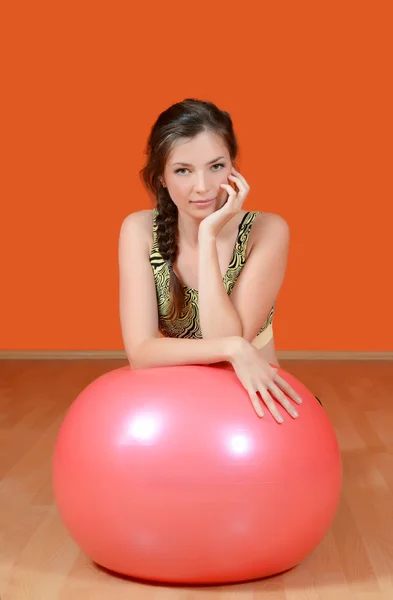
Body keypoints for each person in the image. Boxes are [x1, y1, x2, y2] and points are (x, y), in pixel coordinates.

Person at [118, 98, 303, 424]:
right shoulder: (139, 230)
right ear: (161, 176)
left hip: (253, 406)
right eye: (183, 171)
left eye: (216, 166)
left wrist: (206, 237)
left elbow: (227, 334)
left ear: (233, 167)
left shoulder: (267, 231)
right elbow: (141, 352)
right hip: (178, 406)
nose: (202, 187)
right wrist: (232, 349)